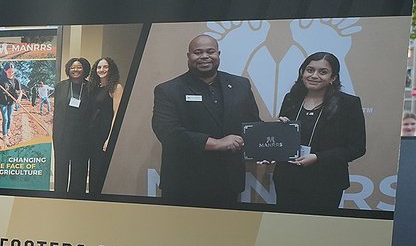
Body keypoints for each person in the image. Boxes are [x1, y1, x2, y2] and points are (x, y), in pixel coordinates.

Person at [152, 34, 262, 207]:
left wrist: (270, 144)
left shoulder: (241, 85)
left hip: (228, 183)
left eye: (210, 51)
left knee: (224, 233)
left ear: (218, 54)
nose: (204, 56)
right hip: (184, 184)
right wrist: (217, 143)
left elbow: (252, 125)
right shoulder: (168, 90)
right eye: (198, 52)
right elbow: (168, 133)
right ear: (189, 57)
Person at [273, 52, 366, 215]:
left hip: (326, 182)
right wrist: (273, 148)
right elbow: (283, 139)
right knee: (288, 230)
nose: (314, 75)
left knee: (317, 232)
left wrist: (318, 158)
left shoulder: (348, 104)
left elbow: (357, 147)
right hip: (288, 180)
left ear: (333, 78)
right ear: (302, 72)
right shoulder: (291, 99)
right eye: (309, 70)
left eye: (322, 72)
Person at [53, 57, 111, 195]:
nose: (76, 70)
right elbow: (56, 111)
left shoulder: (91, 87)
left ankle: (76, 197)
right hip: (62, 134)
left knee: (79, 169)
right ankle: (59, 195)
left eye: (79, 67)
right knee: (61, 167)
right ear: (68, 69)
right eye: (73, 67)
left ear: (84, 69)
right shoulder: (60, 86)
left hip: (83, 136)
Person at [88, 56, 124, 193]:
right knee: (93, 171)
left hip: (104, 134)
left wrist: (110, 138)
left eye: (105, 67)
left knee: (100, 172)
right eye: (99, 67)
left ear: (111, 69)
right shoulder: (95, 88)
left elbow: (117, 114)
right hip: (93, 134)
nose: (101, 70)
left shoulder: (116, 87)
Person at [0, 61, 20, 140]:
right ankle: (4, 135)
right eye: (9, 72)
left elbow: (20, 91)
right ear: (5, 71)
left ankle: (8, 130)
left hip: (11, 102)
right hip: (2, 101)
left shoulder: (16, 80)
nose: (11, 73)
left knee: (10, 117)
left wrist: (18, 99)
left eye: (12, 71)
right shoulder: (1, 78)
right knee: (5, 118)